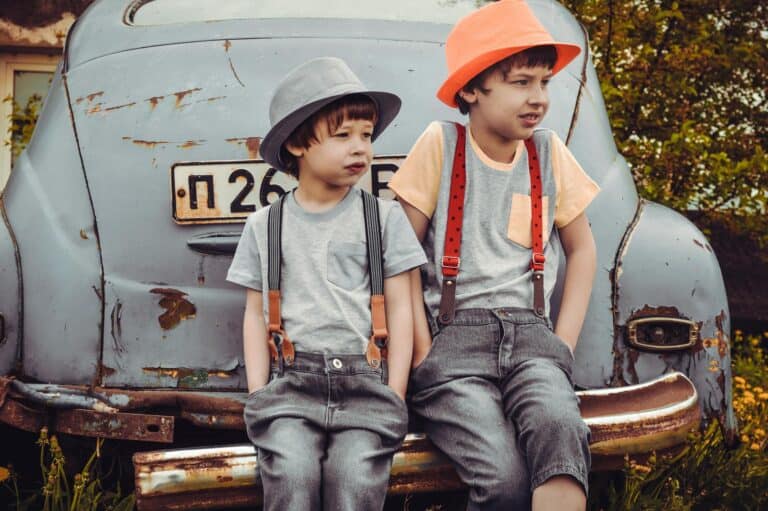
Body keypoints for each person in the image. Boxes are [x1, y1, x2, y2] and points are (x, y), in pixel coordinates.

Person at [388, 1, 600, 509]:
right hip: (454, 346)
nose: (538, 98)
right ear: (471, 89)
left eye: (545, 83)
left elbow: (583, 249)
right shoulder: (442, 144)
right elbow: (397, 254)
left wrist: (562, 345)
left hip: (533, 341)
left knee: (561, 436)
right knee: (502, 478)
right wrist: (421, 349)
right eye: (521, 82)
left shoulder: (549, 154)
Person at [227, 56, 426, 511]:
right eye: (343, 136)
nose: (360, 148)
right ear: (298, 144)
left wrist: (395, 392)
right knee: (291, 477)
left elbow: (400, 308)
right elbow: (254, 316)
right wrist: (258, 393)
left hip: (366, 386)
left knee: (355, 481)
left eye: (366, 135)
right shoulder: (265, 225)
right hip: (291, 388)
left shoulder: (384, 218)